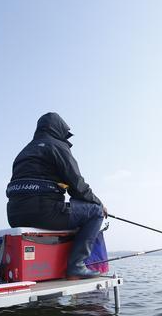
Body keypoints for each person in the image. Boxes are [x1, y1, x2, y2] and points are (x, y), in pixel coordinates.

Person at [6, 112, 107, 279]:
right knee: (95, 211)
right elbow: (77, 186)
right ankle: (76, 266)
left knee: (76, 210)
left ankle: (55, 263)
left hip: (15, 216)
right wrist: (99, 203)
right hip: (44, 213)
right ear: (58, 129)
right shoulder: (57, 146)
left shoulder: (24, 152)